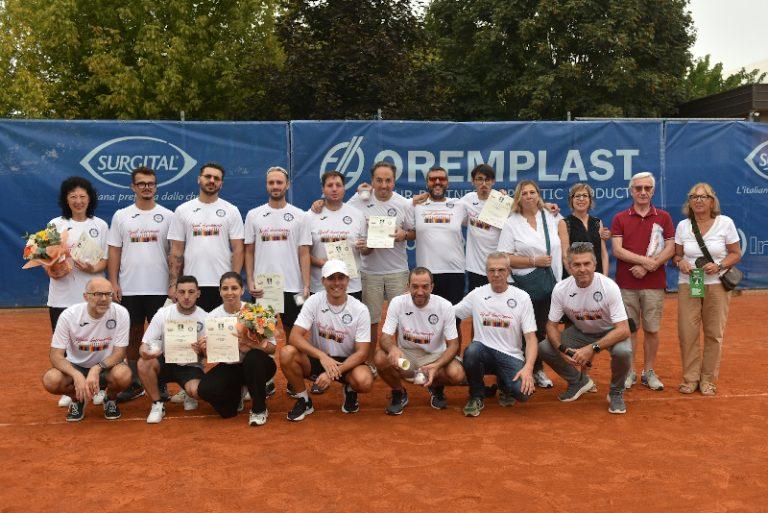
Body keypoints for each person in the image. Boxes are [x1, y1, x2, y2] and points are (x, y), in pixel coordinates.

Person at [538, 242, 633, 414]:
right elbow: (551, 326)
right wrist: (562, 350)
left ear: (594, 265)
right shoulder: (561, 289)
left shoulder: (609, 286)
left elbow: (624, 329)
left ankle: (616, 392)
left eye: (587, 263)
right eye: (576, 265)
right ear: (569, 267)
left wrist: (592, 348)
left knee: (623, 352)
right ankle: (578, 382)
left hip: (610, 332)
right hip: (581, 332)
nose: (582, 269)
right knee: (545, 347)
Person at [107, 167, 173, 403]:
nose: (147, 187)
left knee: (160, 338)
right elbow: (114, 250)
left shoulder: (168, 216)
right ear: (133, 187)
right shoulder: (121, 216)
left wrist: (173, 283)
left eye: (151, 183)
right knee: (133, 336)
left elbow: (174, 253)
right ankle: (135, 382)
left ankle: (160, 383)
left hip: (160, 289)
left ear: (156, 186)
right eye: (142, 183)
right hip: (129, 288)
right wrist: (113, 282)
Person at [280, 260, 374, 422]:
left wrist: (332, 373)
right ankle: (304, 400)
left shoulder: (360, 309)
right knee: (286, 353)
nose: (336, 283)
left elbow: (362, 353)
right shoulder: (314, 301)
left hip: (347, 363)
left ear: (348, 281)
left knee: (364, 381)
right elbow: (294, 336)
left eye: (341, 278)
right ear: (323, 281)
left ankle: (350, 389)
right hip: (319, 359)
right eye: (331, 278)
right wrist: (322, 356)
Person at [672, 183, 741, 396]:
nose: (699, 200)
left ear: (712, 201)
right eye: (694, 197)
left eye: (704, 197)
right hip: (691, 281)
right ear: (689, 202)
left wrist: (719, 265)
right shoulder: (683, 226)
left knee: (714, 333)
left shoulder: (725, 223)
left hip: (716, 284)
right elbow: (677, 255)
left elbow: (735, 253)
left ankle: (708, 380)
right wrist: (680, 262)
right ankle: (690, 379)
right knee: (688, 332)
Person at [48, 176, 109, 408]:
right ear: (66, 199)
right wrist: (54, 270)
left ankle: (99, 386)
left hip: (93, 298)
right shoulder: (55, 224)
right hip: (61, 296)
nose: (78, 200)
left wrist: (92, 268)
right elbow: (46, 261)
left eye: (82, 196)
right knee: (64, 345)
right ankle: (70, 387)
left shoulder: (100, 225)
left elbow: (105, 260)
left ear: (90, 199)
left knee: (97, 343)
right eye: (73, 196)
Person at [611, 171, 675, 391]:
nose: (643, 192)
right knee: (629, 330)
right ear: (631, 191)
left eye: (647, 188)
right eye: (638, 188)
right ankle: (630, 371)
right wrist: (645, 262)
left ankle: (649, 372)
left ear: (653, 191)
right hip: (626, 284)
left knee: (652, 330)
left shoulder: (664, 217)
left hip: (654, 285)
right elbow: (617, 250)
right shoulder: (620, 218)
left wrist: (649, 266)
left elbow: (670, 248)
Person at [345, 162, 415, 363]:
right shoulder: (359, 200)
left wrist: (404, 234)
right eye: (379, 180)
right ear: (372, 181)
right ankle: (369, 363)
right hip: (369, 272)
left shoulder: (403, 203)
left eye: (388, 180)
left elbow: (413, 232)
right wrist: (319, 205)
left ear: (394, 181)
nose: (384, 185)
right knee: (370, 321)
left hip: (398, 271)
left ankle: (403, 362)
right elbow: (340, 212)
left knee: (402, 319)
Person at [454, 252, 538, 417]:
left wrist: (528, 368)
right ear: (486, 272)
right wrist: (424, 301)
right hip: (483, 353)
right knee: (472, 351)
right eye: (492, 270)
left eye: (501, 270)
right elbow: (450, 312)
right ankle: (476, 395)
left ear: (508, 271)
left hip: (511, 356)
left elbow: (531, 338)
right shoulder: (477, 294)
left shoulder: (522, 297)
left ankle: (504, 384)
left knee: (523, 394)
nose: (496, 274)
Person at [497, 179, 563, 388]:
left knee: (542, 328)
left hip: (551, 281)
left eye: (532, 192)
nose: (528, 196)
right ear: (518, 198)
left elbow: (564, 240)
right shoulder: (511, 222)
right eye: (524, 193)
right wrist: (533, 261)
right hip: (524, 284)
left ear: (538, 195)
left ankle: (537, 370)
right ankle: (523, 369)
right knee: (525, 329)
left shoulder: (551, 216)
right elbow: (504, 257)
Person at [374, 267, 465, 415]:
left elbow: (453, 345)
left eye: (425, 286)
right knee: (380, 358)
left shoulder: (445, 306)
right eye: (415, 286)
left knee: (457, 374)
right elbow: (385, 337)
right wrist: (392, 349)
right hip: (407, 358)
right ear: (408, 286)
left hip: (435, 357)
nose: (420, 292)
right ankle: (399, 392)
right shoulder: (397, 302)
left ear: (432, 287)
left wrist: (437, 365)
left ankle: (436, 386)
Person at [42, 278, 131, 422]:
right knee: (51, 380)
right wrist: (76, 375)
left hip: (107, 367)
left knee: (124, 375)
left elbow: (119, 353)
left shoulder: (120, 313)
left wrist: (97, 368)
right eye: (98, 294)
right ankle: (77, 399)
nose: (104, 299)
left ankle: (110, 399)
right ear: (86, 296)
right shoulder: (69, 315)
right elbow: (55, 355)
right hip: (76, 366)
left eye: (108, 294)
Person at [196, 272, 277, 426]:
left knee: (253, 358)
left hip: (258, 365)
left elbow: (272, 348)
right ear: (220, 291)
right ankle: (237, 395)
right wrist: (204, 349)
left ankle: (259, 409)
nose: (230, 292)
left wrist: (250, 344)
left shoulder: (256, 311)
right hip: (232, 366)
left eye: (234, 288)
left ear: (242, 290)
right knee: (206, 390)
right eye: (225, 288)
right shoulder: (212, 317)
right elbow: (210, 355)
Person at [243, 166, 310, 346]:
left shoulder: (300, 216)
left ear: (287, 185)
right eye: (271, 182)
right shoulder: (253, 215)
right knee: (260, 337)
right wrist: (250, 280)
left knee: (295, 337)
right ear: (266, 185)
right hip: (263, 288)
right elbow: (248, 251)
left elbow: (304, 252)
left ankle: (292, 365)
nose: (275, 186)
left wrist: (306, 285)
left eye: (279, 182)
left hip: (294, 288)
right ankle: (267, 367)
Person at [167, 162, 244, 312]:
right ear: (199, 179)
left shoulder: (231, 210)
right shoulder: (182, 210)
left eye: (217, 178)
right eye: (208, 176)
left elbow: (238, 249)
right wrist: (173, 283)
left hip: (223, 285)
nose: (212, 181)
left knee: (223, 327)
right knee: (193, 326)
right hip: (191, 286)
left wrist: (234, 283)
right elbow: (176, 251)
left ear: (221, 184)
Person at [137, 275, 207, 424]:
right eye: (181, 292)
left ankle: (188, 393)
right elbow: (145, 344)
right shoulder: (163, 313)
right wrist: (145, 352)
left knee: (197, 391)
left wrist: (201, 350)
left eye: (191, 292)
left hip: (191, 365)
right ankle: (157, 404)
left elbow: (210, 354)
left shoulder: (205, 318)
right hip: (165, 361)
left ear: (198, 293)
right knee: (143, 363)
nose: (186, 296)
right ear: (175, 293)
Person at [414, 166, 468, 310]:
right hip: (426, 274)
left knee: (454, 319)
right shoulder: (416, 206)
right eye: (433, 179)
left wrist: (499, 199)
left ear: (447, 183)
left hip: (454, 272)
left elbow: (484, 214)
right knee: (426, 319)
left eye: (442, 179)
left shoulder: (460, 205)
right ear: (427, 183)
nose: (437, 182)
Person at [558, 183, 610, 276]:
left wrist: (604, 277)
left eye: (585, 196)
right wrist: (575, 279)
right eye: (577, 196)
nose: (581, 199)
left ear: (590, 200)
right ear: (571, 200)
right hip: (575, 276)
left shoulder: (597, 222)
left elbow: (604, 254)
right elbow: (565, 256)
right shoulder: (564, 223)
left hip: (597, 275)